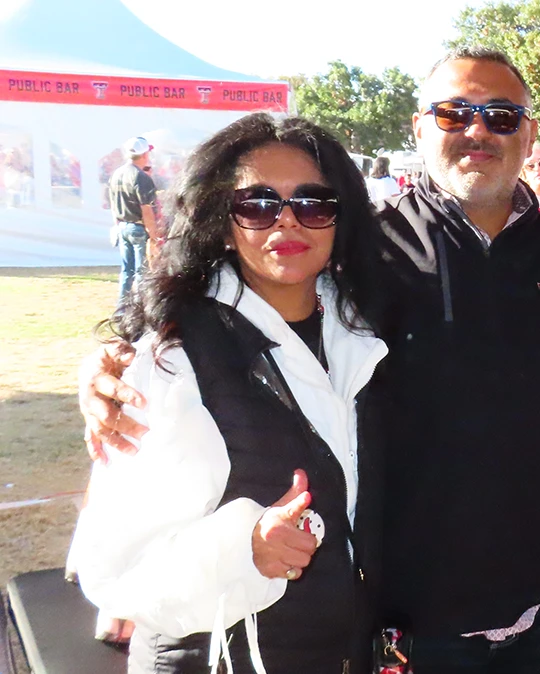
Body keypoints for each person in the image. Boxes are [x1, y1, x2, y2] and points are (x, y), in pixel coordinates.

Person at [76, 47, 540, 674]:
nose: (477, 132)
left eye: (501, 116)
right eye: (455, 114)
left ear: (530, 134)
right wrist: (125, 353)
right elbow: (245, 281)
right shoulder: (361, 255)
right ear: (421, 128)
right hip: (412, 627)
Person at [72, 113, 388, 673]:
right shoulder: (174, 356)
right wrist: (245, 548)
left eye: (314, 204)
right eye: (258, 204)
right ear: (221, 221)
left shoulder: (362, 335)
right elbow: (116, 571)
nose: (286, 222)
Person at [110, 136, 159, 301]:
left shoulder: (117, 173)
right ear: (145, 154)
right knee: (142, 271)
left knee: (126, 271)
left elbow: (113, 203)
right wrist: (153, 234)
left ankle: (121, 309)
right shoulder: (141, 177)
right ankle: (140, 308)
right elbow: (146, 209)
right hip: (138, 228)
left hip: (122, 226)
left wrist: (117, 226)